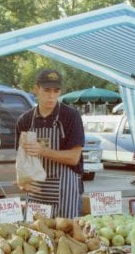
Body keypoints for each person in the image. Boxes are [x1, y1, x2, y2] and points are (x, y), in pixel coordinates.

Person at [16, 69, 85, 218]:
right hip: (37, 191)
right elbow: (21, 160)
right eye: (47, 90)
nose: (52, 95)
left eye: (56, 90)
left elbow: (74, 158)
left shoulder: (71, 117)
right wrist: (21, 180)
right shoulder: (25, 120)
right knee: (36, 237)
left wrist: (42, 151)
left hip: (66, 191)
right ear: (36, 89)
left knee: (65, 237)